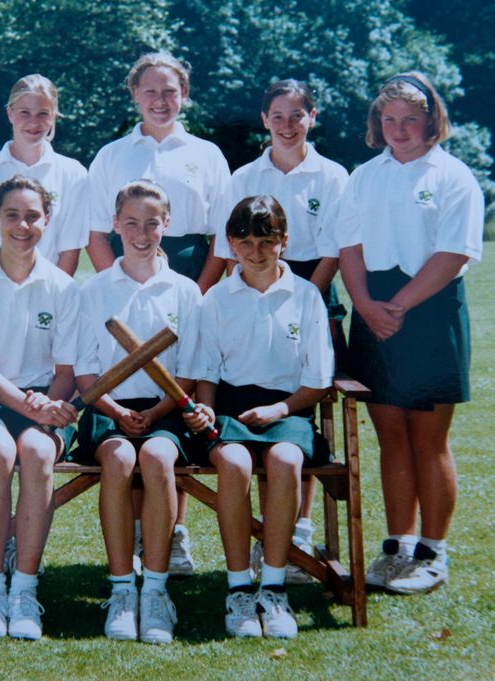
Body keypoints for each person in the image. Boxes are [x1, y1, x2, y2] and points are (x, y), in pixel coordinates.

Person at [335, 72, 484, 594]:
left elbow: (454, 253)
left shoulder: (454, 176)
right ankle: (397, 548)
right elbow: (349, 247)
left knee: (428, 438)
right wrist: (364, 306)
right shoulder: (363, 176)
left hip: (429, 311)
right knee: (391, 436)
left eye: (410, 120)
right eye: (389, 120)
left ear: (431, 120)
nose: (399, 130)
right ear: (378, 123)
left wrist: (396, 306)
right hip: (373, 311)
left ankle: (433, 554)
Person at [86, 51, 230, 574]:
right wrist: (120, 288)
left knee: (172, 392)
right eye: (150, 90)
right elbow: (95, 233)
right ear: (134, 95)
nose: (160, 100)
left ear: (184, 94)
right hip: (124, 275)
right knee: (131, 398)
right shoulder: (112, 155)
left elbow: (220, 239)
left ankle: (173, 532)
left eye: (170, 90)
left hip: (188, 275)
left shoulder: (207, 154)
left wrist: (193, 293)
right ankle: (134, 535)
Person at [211, 79, 349, 584]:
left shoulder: (333, 175)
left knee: (299, 404)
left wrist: (298, 294)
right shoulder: (244, 176)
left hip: (310, 282)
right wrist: (254, 293)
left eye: (297, 115)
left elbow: (334, 248)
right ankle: (263, 544)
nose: (287, 125)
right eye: (278, 116)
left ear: (313, 117)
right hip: (253, 281)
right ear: (264, 120)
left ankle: (298, 532)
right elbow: (233, 249)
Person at [185, 195, 334, 639]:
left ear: (284, 242)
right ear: (230, 244)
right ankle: (238, 589)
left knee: (286, 461)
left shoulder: (306, 296)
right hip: (230, 409)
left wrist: (280, 409)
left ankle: (273, 587)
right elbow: (206, 370)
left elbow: (319, 379)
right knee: (234, 464)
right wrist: (206, 407)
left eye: (267, 241)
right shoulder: (216, 299)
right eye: (245, 242)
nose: (256, 252)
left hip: (288, 407)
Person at [0, 175, 80, 640]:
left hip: (46, 400)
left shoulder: (64, 287)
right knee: (0, 450)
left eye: (32, 216)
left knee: (38, 452)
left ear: (47, 220)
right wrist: (30, 407)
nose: (22, 226)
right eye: (12, 216)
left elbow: (66, 369)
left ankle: (24, 590)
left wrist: (49, 404)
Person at [73, 180, 202, 644]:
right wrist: (114, 410)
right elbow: (85, 372)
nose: (141, 233)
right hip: (108, 407)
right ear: (114, 225)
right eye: (131, 223)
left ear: (167, 224)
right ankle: (123, 590)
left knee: (157, 456)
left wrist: (161, 409)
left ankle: (156, 592)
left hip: (166, 408)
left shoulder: (186, 291)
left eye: (152, 223)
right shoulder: (94, 290)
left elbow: (189, 371)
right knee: (120, 457)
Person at [0, 74, 87, 275]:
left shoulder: (73, 174)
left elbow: (70, 250)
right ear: (10, 113)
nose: (34, 122)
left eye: (43, 113)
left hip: (48, 290)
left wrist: (49, 293)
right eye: (25, 112)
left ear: (53, 116)